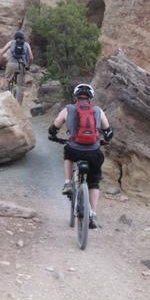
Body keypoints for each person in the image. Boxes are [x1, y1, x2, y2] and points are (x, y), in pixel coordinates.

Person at [48, 83, 113, 229]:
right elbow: (108, 132)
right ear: (90, 98)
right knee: (94, 181)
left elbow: (56, 124)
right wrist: (105, 141)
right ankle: (93, 214)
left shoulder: (68, 109)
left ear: (75, 97)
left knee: (68, 154)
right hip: (94, 151)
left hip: (74, 148)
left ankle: (67, 182)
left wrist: (52, 134)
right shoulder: (98, 110)